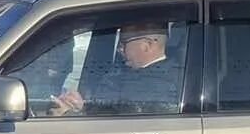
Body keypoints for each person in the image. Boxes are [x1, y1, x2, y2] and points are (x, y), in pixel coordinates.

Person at [50, 21, 181, 117]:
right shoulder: (140, 73)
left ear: (147, 45)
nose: (119, 49)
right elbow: (112, 111)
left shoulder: (161, 83)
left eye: (124, 43)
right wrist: (83, 106)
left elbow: (119, 125)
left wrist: (67, 114)